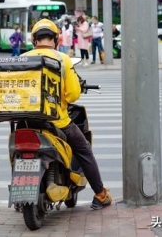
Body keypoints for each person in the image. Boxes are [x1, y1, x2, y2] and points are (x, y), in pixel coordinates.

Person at [22, 18, 112, 210]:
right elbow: (72, 94)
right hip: (57, 122)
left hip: (25, 121)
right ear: (56, 39)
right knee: (84, 149)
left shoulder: (23, 58)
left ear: (34, 40)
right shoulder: (62, 59)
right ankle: (101, 194)